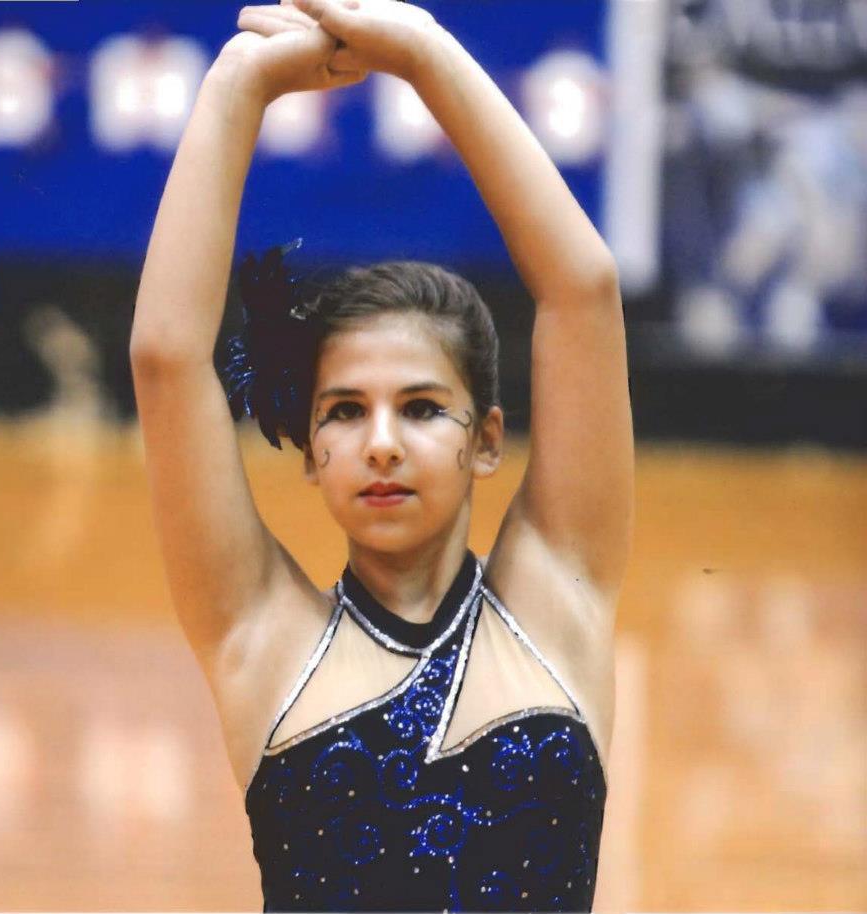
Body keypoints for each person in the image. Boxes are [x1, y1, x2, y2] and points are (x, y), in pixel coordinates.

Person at [130, 1, 634, 910]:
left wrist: (424, 53)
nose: (384, 443)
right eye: (345, 412)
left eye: (424, 408)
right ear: (312, 453)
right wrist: (236, 85)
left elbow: (582, 290)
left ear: (486, 440)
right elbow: (167, 361)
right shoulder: (262, 639)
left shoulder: (558, 601)